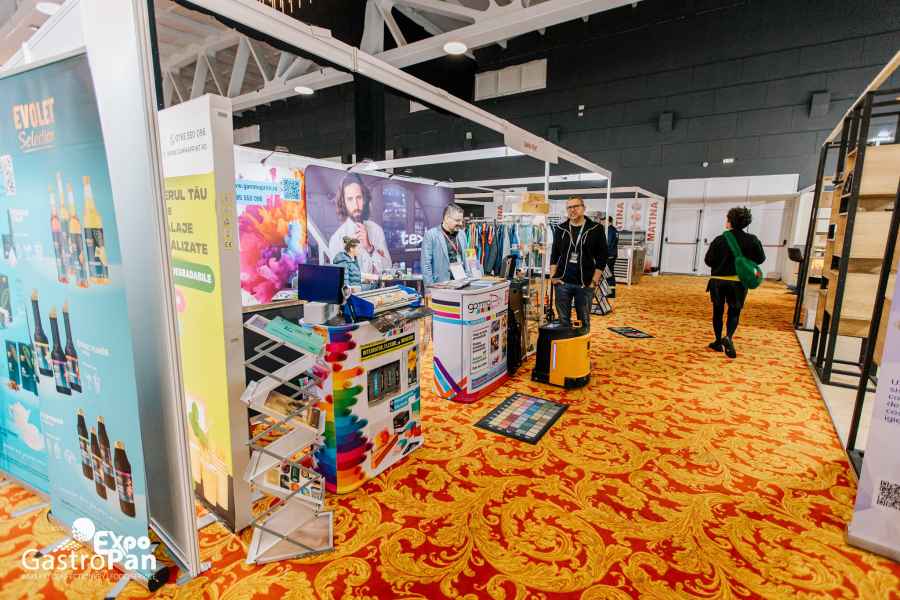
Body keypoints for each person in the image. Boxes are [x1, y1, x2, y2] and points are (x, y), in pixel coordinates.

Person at [704, 206, 766, 359]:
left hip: (718, 282)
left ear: (730, 221)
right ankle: (728, 337)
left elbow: (708, 261)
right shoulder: (752, 240)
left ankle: (717, 342)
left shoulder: (719, 240)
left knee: (717, 312)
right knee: (734, 312)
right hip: (738, 282)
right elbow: (760, 259)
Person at [549, 197, 608, 331]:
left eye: (576, 206)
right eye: (569, 207)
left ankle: (582, 344)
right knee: (563, 322)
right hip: (562, 282)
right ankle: (565, 343)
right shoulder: (560, 228)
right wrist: (553, 276)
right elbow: (554, 254)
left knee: (584, 322)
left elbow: (602, 256)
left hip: (585, 283)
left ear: (583, 208)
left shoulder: (596, 229)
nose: (572, 210)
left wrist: (594, 281)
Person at [327, 173, 392, 276]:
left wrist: (369, 248)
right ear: (343, 202)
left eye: (359, 198)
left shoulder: (376, 230)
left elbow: (388, 269)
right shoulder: (336, 240)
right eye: (350, 199)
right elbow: (340, 279)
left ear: (364, 199)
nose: (356, 205)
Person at [421, 204, 469, 286]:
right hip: (441, 285)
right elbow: (426, 265)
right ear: (446, 218)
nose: (461, 223)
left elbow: (466, 259)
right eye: (457, 220)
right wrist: (430, 287)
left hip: (462, 283)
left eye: (461, 221)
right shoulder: (431, 235)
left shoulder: (462, 234)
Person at [606, 216, 619, 297]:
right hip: (613, 254)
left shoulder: (610, 230)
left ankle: (610, 293)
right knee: (610, 273)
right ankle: (611, 292)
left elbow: (609, 243)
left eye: (604, 220)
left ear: (608, 221)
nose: (602, 222)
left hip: (609, 255)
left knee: (609, 273)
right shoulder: (614, 230)